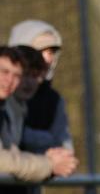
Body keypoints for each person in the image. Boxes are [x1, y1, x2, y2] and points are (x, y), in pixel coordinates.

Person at [0, 46, 76, 194]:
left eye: (17, 75)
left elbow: (10, 152)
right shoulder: (8, 108)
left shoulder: (11, 108)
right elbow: (3, 161)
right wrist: (48, 165)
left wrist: (49, 159)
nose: (9, 81)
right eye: (4, 72)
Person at [8, 20, 74, 153]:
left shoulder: (53, 100)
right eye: (41, 50)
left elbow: (64, 145)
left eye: (51, 52)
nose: (47, 59)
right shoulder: (5, 95)